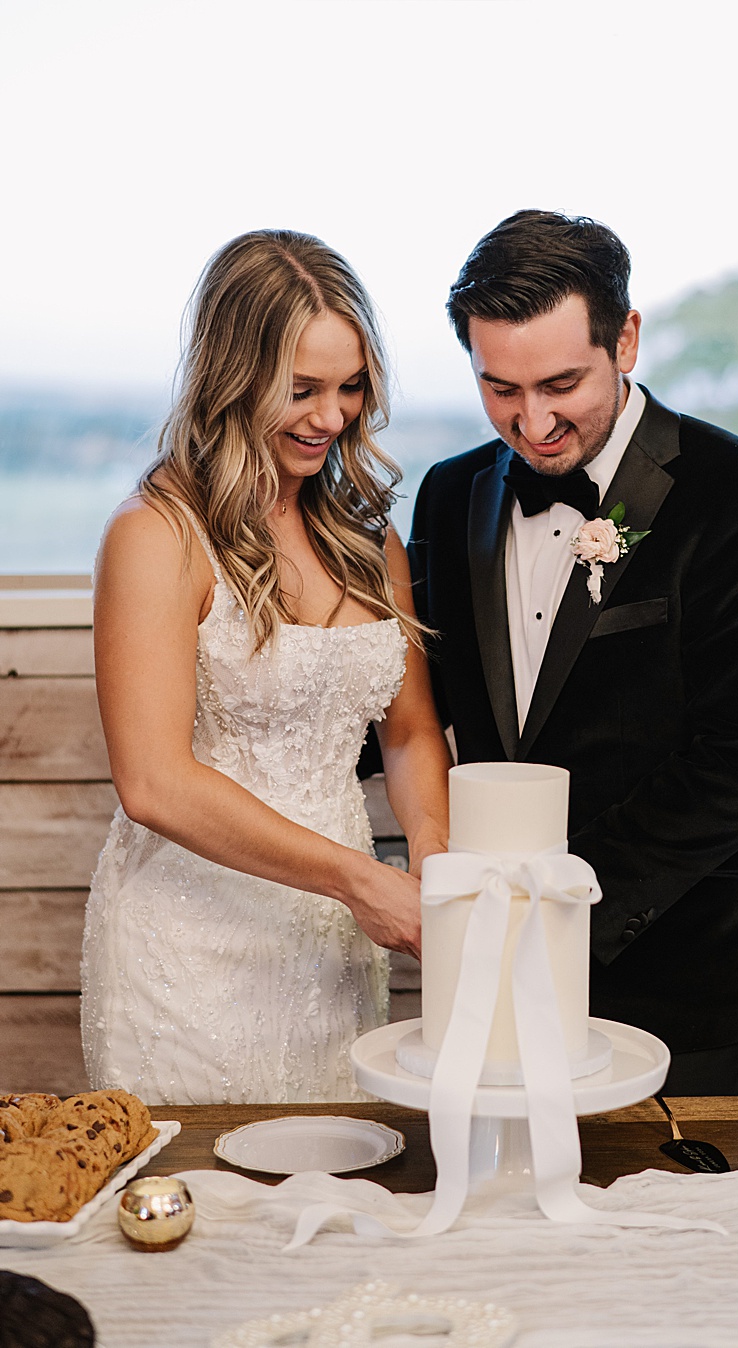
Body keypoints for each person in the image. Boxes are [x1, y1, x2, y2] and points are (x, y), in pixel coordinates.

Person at [408, 210, 738, 1095]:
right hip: (489, 986)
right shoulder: (449, 498)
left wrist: (558, 913)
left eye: (562, 383)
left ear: (626, 339)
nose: (534, 421)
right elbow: (425, 699)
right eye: (501, 390)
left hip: (682, 986)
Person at [83, 231, 450, 1105]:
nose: (333, 417)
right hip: (190, 948)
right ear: (231, 378)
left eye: (351, 387)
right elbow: (153, 783)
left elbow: (409, 731)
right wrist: (362, 880)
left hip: (337, 944)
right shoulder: (155, 535)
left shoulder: (367, 539)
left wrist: (431, 855)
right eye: (302, 391)